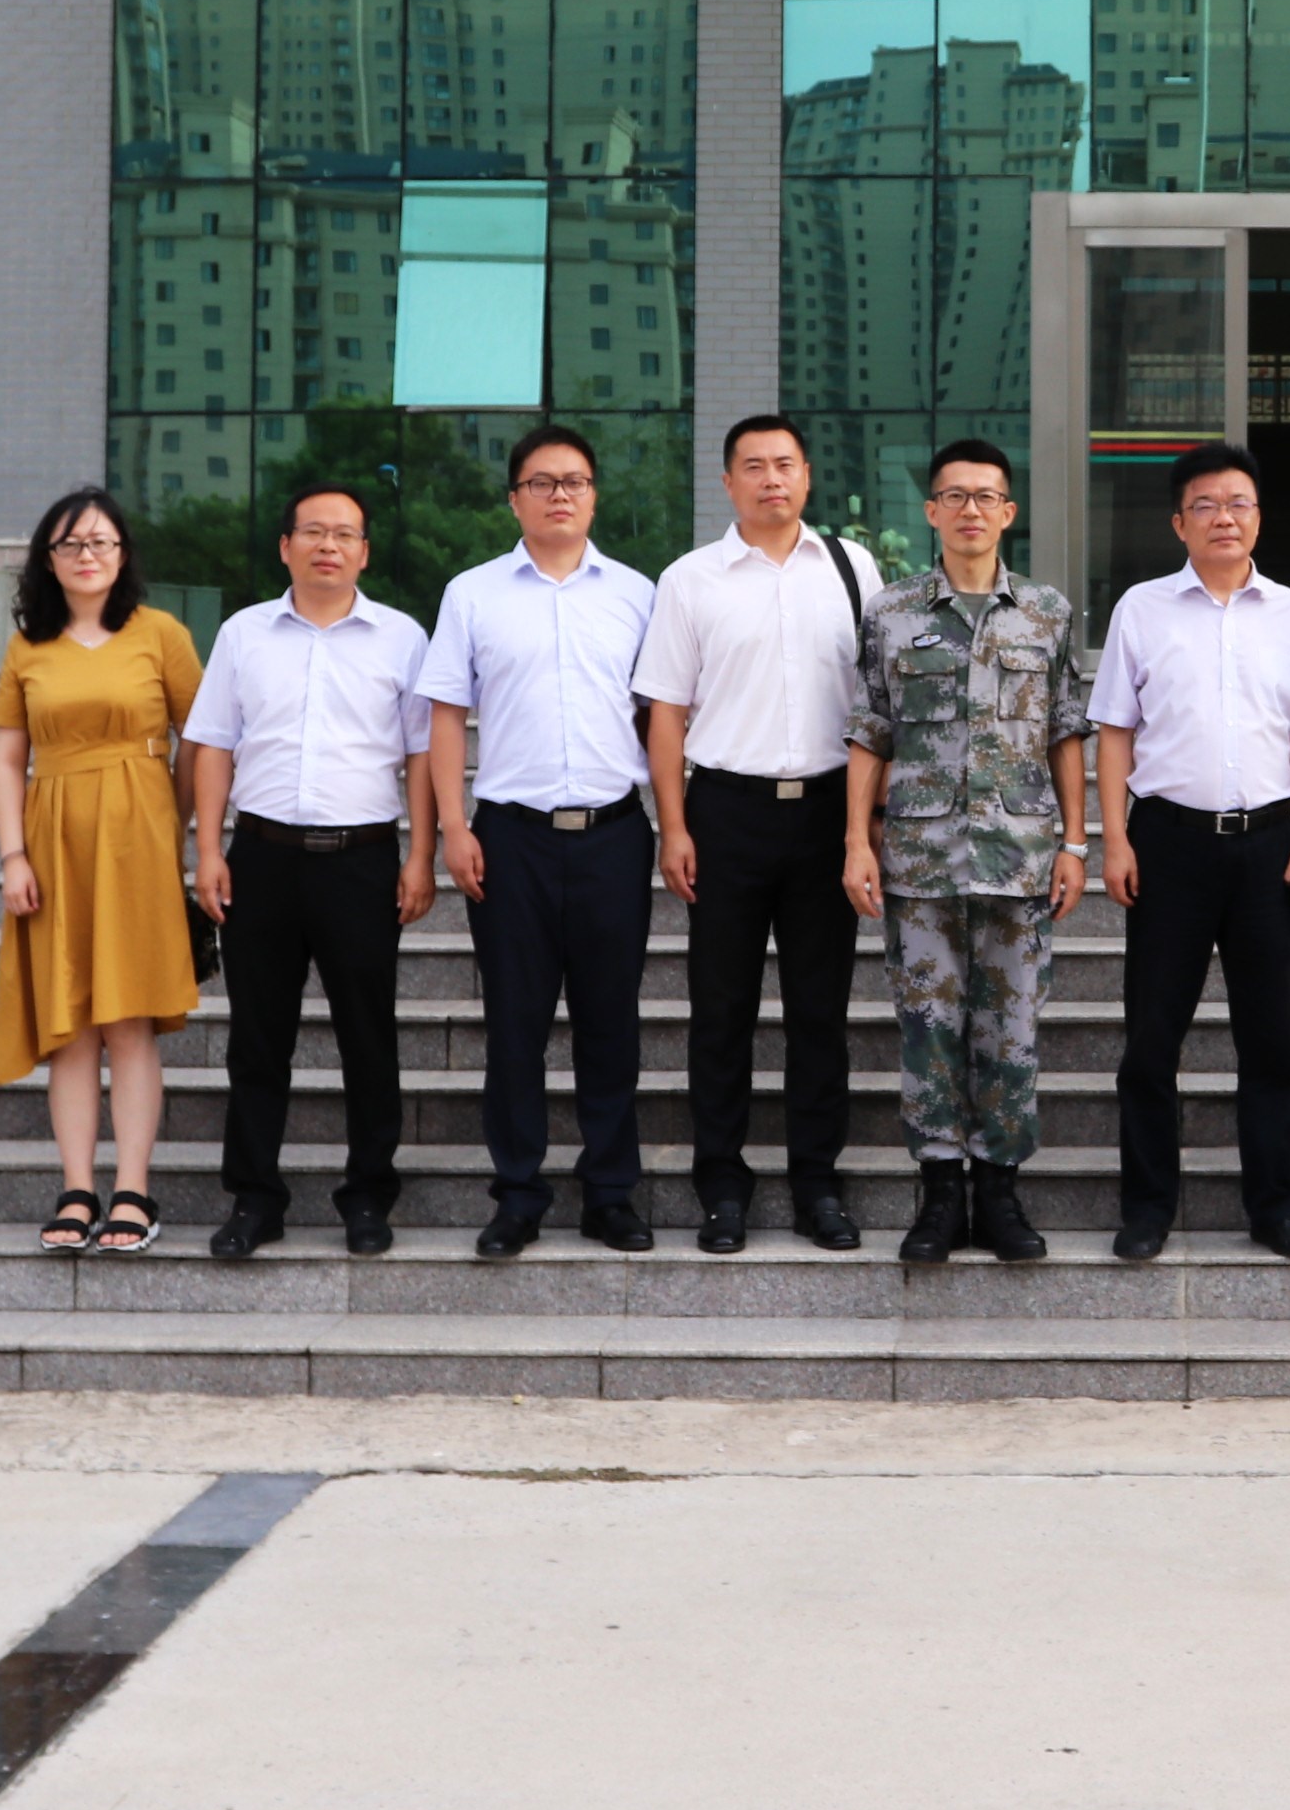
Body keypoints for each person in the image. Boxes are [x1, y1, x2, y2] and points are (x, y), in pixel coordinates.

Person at [637, 414, 885, 1254]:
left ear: (807, 476)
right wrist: (673, 826)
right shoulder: (690, 580)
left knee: (820, 1011)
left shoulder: (853, 569)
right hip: (726, 813)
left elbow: (878, 708)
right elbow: (665, 713)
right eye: (753, 466)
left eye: (784, 464)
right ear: (728, 483)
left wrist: (865, 825)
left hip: (826, 813)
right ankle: (722, 1186)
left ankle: (818, 1183)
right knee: (721, 1011)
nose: (771, 478)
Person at [843, 440, 1094, 1264]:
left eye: (986, 496)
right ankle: (940, 1194)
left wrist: (1076, 841)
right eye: (954, 496)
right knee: (929, 1029)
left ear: (1008, 512)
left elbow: (1065, 732)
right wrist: (856, 841)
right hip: (920, 858)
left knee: (1011, 1030)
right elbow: (870, 730)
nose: (971, 510)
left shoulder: (1047, 613)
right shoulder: (892, 613)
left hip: (1019, 856)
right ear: (932, 511)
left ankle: (1001, 1192)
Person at [1092, 440, 1290, 1263]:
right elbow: (1115, 731)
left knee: (1270, 1041)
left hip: (1266, 848)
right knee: (1150, 1040)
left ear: (1258, 517)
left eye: (1238, 503)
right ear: (1179, 523)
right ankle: (1147, 1208)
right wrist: (1115, 838)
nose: (1223, 518)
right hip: (1168, 845)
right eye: (1205, 505)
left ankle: (1275, 1207)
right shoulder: (1142, 610)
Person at [423, 421, 661, 1258]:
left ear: (594, 496)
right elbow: (445, 715)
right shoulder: (472, 594)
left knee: (610, 1023)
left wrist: (675, 822)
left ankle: (611, 1194)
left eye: (575, 482)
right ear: (514, 499)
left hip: (613, 835)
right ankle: (518, 1195)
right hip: (510, 840)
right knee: (515, 1025)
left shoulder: (637, 593)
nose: (560, 494)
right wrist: (453, 826)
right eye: (542, 482)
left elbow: (661, 717)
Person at [187, 482, 436, 1261]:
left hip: (362, 862)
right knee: (257, 1041)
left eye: (345, 534)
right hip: (261, 858)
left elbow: (423, 756)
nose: (329, 546)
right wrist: (207, 850)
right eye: (314, 532)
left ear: (364, 552)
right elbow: (214, 744)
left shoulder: (402, 638)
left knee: (369, 1036)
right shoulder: (243, 634)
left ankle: (368, 1197)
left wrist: (421, 855)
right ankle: (255, 1199)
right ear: (286, 546)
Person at [0, 488, 204, 1257]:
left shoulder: (161, 634)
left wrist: (175, 828)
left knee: (129, 1022)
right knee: (71, 1027)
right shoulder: (28, 645)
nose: (87, 554)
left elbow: (202, 739)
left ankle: (133, 1191)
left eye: (101, 541)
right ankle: (78, 1188)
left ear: (123, 554)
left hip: (138, 840)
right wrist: (12, 855)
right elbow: (7, 759)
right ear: (47, 560)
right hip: (51, 844)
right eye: (70, 544)